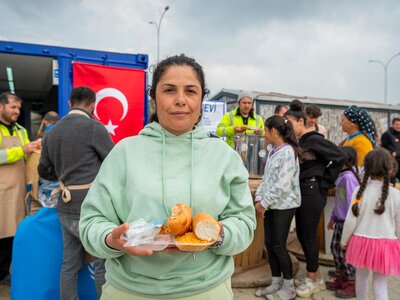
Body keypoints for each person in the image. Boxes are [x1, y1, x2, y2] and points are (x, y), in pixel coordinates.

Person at [79, 54, 256, 300]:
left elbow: (245, 223)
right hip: (129, 291)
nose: (180, 100)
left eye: (191, 91)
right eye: (169, 90)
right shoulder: (124, 152)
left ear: (202, 99)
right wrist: (111, 239)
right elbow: (91, 222)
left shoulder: (225, 157)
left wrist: (219, 233)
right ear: (154, 99)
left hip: (206, 290)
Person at [38, 86, 114, 300]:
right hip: (92, 207)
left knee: (69, 264)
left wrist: (65, 178)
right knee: (102, 264)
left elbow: (44, 171)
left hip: (64, 206)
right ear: (93, 106)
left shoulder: (51, 135)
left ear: (70, 104)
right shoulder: (94, 128)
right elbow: (114, 162)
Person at [285, 99, 347, 298]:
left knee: (308, 235)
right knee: (303, 233)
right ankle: (314, 274)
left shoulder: (314, 139)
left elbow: (340, 156)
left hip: (313, 191)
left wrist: (325, 181)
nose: (287, 126)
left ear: (300, 121)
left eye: (290, 123)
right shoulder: (300, 142)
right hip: (303, 190)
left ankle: (315, 279)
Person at [341, 148, 400, 300]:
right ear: (390, 168)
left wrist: (344, 241)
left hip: (361, 242)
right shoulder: (396, 195)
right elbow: (399, 223)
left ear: (366, 167)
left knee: (361, 278)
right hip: (386, 244)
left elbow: (351, 219)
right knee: (381, 284)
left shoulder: (358, 192)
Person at [254, 115, 301, 299]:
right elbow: (266, 179)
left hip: (284, 206)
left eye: (265, 130)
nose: (265, 134)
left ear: (273, 131)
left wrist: (264, 203)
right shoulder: (274, 150)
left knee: (279, 245)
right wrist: (259, 198)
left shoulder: (288, 152)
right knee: (270, 244)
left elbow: (282, 185)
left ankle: (289, 287)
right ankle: (276, 282)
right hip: (271, 205)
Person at [0, 92, 41, 285]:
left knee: (13, 233)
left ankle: (4, 273)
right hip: (1, 191)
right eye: (12, 107)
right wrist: (21, 150)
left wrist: (35, 147)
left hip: (16, 191)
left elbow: (25, 158)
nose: (17, 111)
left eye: (18, 108)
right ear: (1, 107)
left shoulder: (21, 130)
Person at [325, 147, 359, 298]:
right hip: (339, 221)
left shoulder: (348, 178)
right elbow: (340, 201)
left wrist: (351, 224)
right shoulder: (342, 176)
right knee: (335, 249)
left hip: (347, 223)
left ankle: (351, 283)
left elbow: (352, 203)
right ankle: (342, 277)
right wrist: (333, 217)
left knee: (344, 253)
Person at [381, 118, 400, 183]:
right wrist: (391, 153)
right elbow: (383, 148)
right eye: (397, 124)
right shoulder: (387, 135)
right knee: (391, 181)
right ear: (392, 125)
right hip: (392, 162)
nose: (398, 126)